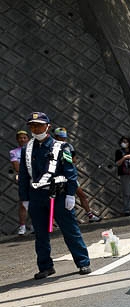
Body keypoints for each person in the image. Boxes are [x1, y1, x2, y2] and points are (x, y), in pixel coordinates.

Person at [18, 112, 91, 279]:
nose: (36, 129)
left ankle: (83, 262)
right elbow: (23, 176)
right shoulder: (27, 150)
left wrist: (71, 194)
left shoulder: (61, 147)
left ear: (48, 126)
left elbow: (70, 172)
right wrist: (25, 199)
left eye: (39, 125)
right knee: (40, 234)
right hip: (36, 196)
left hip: (59, 194)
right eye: (32, 126)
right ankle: (45, 267)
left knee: (70, 230)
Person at [51, 127, 102, 223]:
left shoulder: (68, 146)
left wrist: (66, 159)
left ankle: (90, 215)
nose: (63, 139)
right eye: (60, 137)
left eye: (64, 137)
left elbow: (74, 160)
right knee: (55, 199)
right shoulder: (51, 146)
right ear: (56, 137)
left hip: (69, 176)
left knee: (82, 195)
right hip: (57, 177)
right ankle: (52, 222)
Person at [10, 129, 32, 235]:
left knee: (38, 203)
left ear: (28, 139)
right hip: (24, 180)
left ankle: (36, 225)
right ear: (17, 140)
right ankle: (22, 227)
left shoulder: (33, 150)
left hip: (36, 179)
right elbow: (17, 167)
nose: (22, 139)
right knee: (24, 204)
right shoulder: (14, 152)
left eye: (24, 137)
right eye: (20, 138)